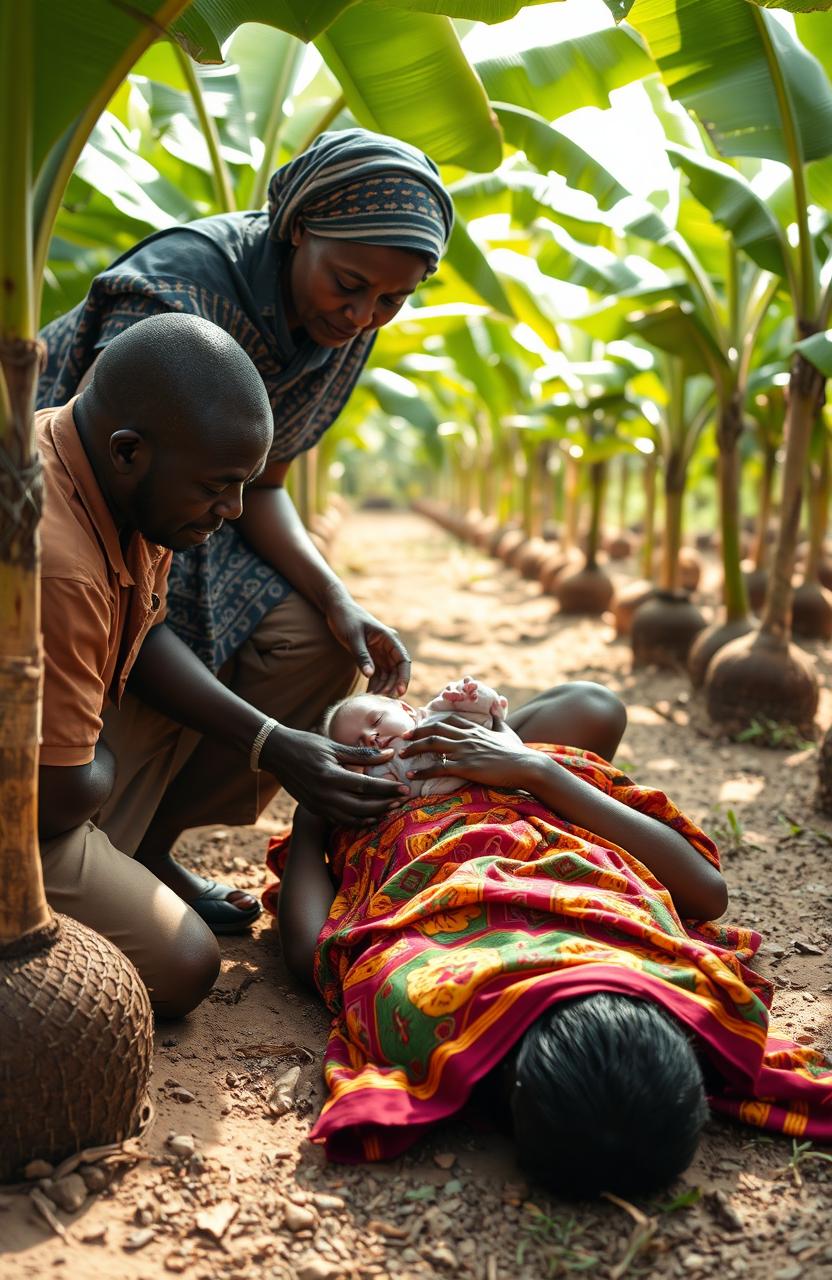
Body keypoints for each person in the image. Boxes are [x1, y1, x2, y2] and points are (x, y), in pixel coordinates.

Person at [37, 128, 454, 928]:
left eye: (391, 301)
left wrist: (339, 600)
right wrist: (271, 742)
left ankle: (149, 843)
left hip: (174, 517)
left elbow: (260, 484)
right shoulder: (172, 299)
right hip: (87, 525)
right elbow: (123, 517)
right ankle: (86, 853)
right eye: (350, 284)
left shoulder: (341, 327)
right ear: (297, 229)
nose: (364, 313)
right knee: (150, 674)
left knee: (319, 638)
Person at [269, 705, 832, 1196]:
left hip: (411, 840)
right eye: (355, 751)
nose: (370, 745)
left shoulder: (423, 998)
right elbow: (708, 892)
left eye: (374, 726)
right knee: (592, 705)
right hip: (549, 832)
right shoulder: (686, 982)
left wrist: (312, 816)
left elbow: (309, 953)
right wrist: (525, 765)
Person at [37, 313, 411, 1016]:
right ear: (129, 452)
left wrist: (270, 741)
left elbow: (142, 636)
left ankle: (132, 844)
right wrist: (107, 764)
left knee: (216, 690)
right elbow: (53, 801)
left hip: (63, 767)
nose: (234, 508)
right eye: (219, 487)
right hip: (38, 805)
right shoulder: (59, 565)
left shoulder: (108, 467)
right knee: (182, 964)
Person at [324, 674, 509, 796]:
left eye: (377, 720)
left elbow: (487, 711)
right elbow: (373, 795)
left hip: (495, 761)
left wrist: (470, 695)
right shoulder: (379, 771)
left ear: (406, 709)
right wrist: (359, 775)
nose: (371, 737)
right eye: (357, 746)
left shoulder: (435, 716)